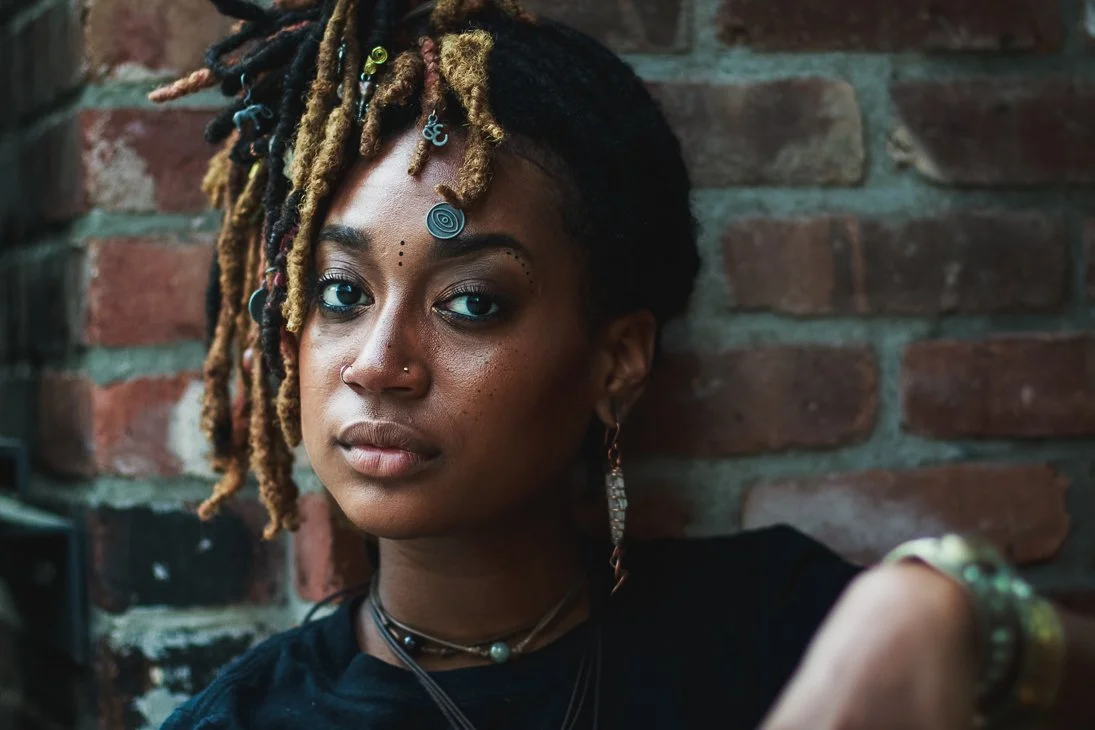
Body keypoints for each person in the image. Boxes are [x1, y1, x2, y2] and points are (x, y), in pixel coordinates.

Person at [153, 1, 1095, 728]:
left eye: (471, 303)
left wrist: (951, 618)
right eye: (341, 294)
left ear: (617, 361)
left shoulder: (772, 628)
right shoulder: (240, 718)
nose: (379, 362)